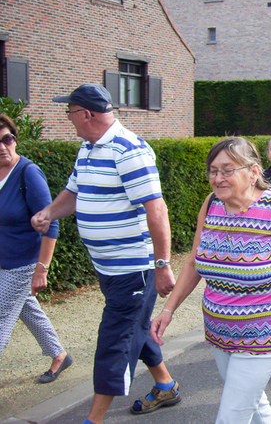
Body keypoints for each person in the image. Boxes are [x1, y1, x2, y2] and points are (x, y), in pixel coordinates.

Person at [150, 137, 271, 423]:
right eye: (213, 170)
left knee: (232, 416)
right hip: (218, 331)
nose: (218, 178)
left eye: (227, 170)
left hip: (263, 332)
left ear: (253, 172)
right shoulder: (211, 204)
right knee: (253, 404)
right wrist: (168, 309)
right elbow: (194, 262)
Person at [31, 84, 180, 424]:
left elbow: (156, 210)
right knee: (133, 327)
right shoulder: (88, 148)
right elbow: (73, 191)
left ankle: (93, 420)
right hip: (108, 268)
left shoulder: (129, 149)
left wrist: (162, 265)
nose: (67, 118)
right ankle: (166, 385)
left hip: (133, 268)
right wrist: (49, 213)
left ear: (87, 114)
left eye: (69, 112)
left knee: (114, 339)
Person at [0, 114, 72, 384]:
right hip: (2, 260)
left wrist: (42, 268)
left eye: (7, 138)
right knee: (26, 308)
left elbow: (49, 221)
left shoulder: (28, 172)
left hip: (22, 262)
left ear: (15, 140)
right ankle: (59, 355)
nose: (2, 145)